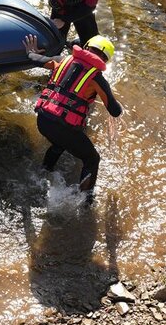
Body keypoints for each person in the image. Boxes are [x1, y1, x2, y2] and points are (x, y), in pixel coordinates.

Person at [24, 33, 123, 204]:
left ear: (86, 48)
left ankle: (44, 172)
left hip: (43, 120)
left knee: (60, 142)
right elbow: (114, 111)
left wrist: (30, 51)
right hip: (63, 127)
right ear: (105, 60)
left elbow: (35, 58)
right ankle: (85, 202)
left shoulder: (61, 60)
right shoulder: (97, 79)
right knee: (92, 159)